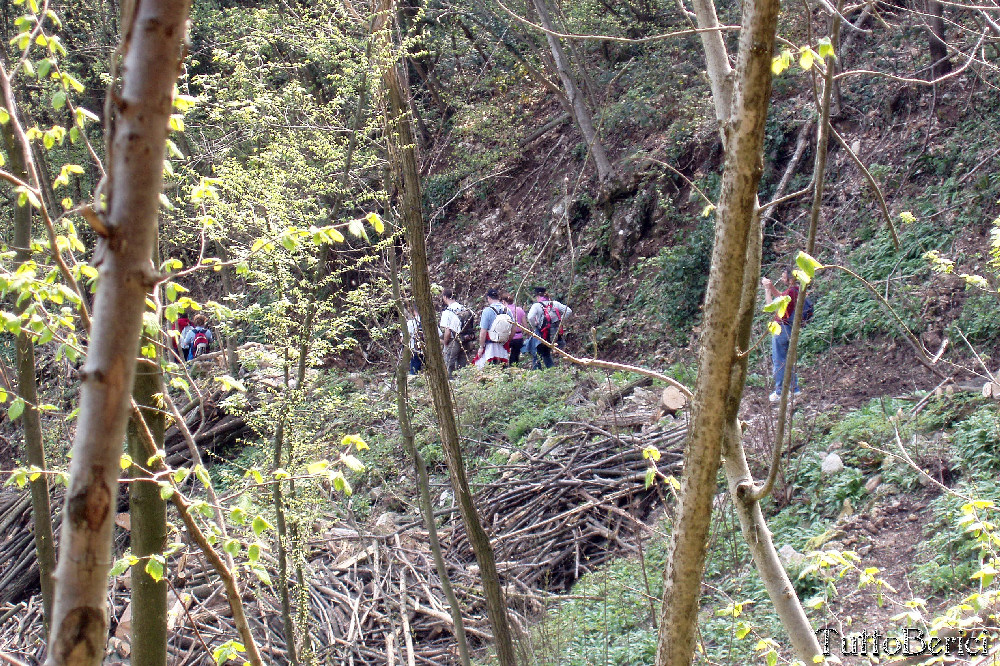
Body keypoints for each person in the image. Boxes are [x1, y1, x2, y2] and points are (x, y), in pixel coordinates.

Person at [762, 266, 802, 402]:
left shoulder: (791, 292)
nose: (782, 278)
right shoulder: (795, 290)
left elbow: (771, 307)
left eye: (784, 277)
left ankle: (779, 392)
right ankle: (794, 389)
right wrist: (772, 287)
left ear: (790, 279)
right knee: (787, 359)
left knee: (779, 361)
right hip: (790, 328)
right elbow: (780, 297)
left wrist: (767, 290)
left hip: (781, 328)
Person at [526, 286, 572, 369]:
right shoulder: (555, 304)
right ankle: (552, 371)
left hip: (542, 334)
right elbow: (568, 311)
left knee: (537, 354)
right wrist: (560, 321)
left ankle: (537, 372)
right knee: (546, 354)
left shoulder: (536, 306)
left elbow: (530, 317)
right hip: (553, 334)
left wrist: (535, 325)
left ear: (538, 296)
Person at [475, 288, 512, 368]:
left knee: (491, 370)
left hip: (490, 346)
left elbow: (483, 332)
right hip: (503, 345)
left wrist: (481, 347)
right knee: (504, 369)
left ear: (488, 298)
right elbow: (513, 328)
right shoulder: (507, 310)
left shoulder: (487, 311)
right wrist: (508, 340)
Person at [439, 288, 468, 375]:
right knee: (462, 366)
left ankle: (450, 384)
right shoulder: (463, 308)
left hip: (453, 340)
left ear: (445, 297)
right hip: (465, 339)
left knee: (449, 366)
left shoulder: (447, 312)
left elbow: (448, 330)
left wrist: (445, 342)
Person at [501, 292, 527, 366]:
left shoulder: (504, 311)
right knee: (515, 357)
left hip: (507, 337)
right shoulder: (519, 309)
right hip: (519, 337)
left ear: (503, 301)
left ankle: (504, 371)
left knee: (503, 356)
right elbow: (525, 325)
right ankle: (514, 371)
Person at [406, 304, 424, 375]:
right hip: (429, 352)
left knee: (414, 373)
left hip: (416, 351)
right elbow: (439, 336)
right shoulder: (430, 323)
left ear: (414, 311)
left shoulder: (410, 323)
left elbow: (403, 339)